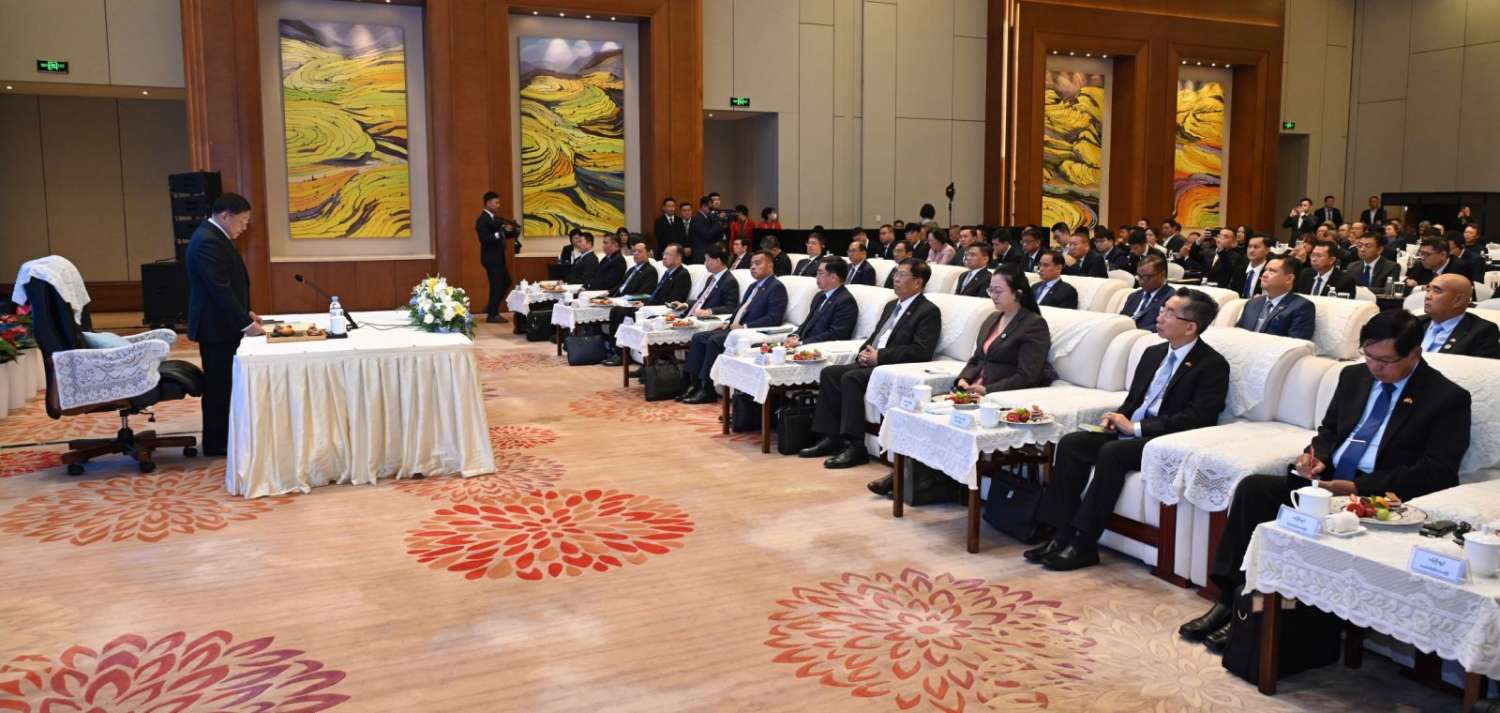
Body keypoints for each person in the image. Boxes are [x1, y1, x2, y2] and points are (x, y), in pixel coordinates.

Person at [1180, 310, 1471, 651]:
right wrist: (1315, 455)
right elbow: (1329, 430)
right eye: (1369, 355)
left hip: (1375, 494)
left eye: (1385, 361)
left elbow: (1438, 469)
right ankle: (1231, 599)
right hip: (1327, 481)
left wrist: (1358, 488)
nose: (1375, 367)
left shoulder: (1447, 398)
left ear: (1414, 354)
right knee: (1253, 490)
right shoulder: (1354, 376)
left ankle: (1251, 619)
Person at [1028, 288, 1229, 571]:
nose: (1160, 315)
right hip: (1129, 431)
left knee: (1113, 453)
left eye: (1170, 312)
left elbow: (1198, 418)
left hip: (1163, 439)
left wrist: (1136, 427)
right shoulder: (1153, 353)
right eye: (1162, 308)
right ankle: (1059, 534)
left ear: (1190, 327)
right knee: (1072, 443)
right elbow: (1135, 400)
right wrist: (1117, 417)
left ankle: (1084, 543)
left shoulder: (1212, 365)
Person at [800, 260, 942, 469]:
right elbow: (875, 336)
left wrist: (880, 356)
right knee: (830, 373)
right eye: (895, 274)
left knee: (850, 378)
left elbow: (921, 350)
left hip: (890, 366)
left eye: (902, 275)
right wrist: (863, 353)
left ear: (918, 282)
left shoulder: (928, 311)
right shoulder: (891, 305)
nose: (895, 279)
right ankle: (831, 437)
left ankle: (856, 446)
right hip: (872, 361)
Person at [185, 192, 262, 457]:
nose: (244, 227)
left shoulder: (215, 236)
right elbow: (219, 289)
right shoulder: (208, 240)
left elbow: (227, 284)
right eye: (242, 221)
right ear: (226, 216)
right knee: (219, 387)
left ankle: (225, 438)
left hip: (221, 323)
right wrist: (245, 324)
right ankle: (217, 443)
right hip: (215, 328)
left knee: (226, 384)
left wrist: (245, 312)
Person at [681, 251, 789, 404]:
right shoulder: (753, 286)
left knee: (713, 341)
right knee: (698, 337)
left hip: (747, 331)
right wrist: (727, 322)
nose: (752, 267)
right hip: (734, 327)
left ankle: (707, 389)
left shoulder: (776, 287)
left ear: (770, 266)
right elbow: (740, 309)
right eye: (751, 264)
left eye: (758, 263)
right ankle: (694, 384)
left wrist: (744, 326)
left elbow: (774, 318)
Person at [953, 265, 1054, 396]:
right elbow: (977, 358)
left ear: (1017, 293)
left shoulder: (1034, 324)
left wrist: (988, 390)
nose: (993, 296)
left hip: (1000, 393)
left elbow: (1028, 375)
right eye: (991, 290)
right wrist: (964, 379)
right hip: (973, 390)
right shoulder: (992, 318)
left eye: (998, 291)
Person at [601, 243, 693, 366]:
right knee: (616, 310)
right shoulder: (668, 273)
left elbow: (673, 300)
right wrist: (644, 303)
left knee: (620, 312)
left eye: (668, 254)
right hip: (650, 307)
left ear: (678, 257)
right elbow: (655, 294)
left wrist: (647, 306)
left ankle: (621, 355)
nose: (664, 257)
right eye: (664, 254)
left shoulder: (682, 275)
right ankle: (617, 351)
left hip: (660, 311)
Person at [783, 257, 859, 352]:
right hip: (805, 344)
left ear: (833, 277)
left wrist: (801, 343)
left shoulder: (846, 301)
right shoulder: (819, 295)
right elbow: (808, 322)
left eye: (820, 273)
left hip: (820, 349)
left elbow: (836, 334)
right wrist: (794, 336)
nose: (816, 277)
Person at [1235, 255, 1315, 339]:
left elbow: (1296, 343)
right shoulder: (1252, 303)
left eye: (1272, 271)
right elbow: (1237, 334)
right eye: (1265, 270)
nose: (1264, 275)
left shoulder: (1302, 307)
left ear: (1289, 279)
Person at [1420, 274, 1500, 358]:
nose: (1427, 296)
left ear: (1458, 300)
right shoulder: (1417, 322)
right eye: (1428, 290)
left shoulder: (1482, 331)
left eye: (1437, 291)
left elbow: (1483, 365)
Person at [475, 191, 519, 324]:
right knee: (496, 285)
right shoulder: (482, 220)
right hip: (490, 258)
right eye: (496, 203)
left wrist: (513, 231)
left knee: (506, 281)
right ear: (488, 203)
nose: (498, 205)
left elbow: (505, 234)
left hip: (498, 258)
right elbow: (484, 239)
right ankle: (492, 314)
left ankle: (491, 308)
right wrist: (499, 233)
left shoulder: (496, 219)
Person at [1119, 254, 1174, 331]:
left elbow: (1163, 326)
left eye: (1147, 277)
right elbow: (1121, 319)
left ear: (1162, 275)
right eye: (1139, 276)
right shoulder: (1133, 296)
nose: (1141, 281)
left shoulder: (1171, 298)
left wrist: (1134, 331)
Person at [1230, 234, 1271, 299]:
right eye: (1249, 246)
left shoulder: (1270, 272)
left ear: (1267, 250)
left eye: (1256, 247)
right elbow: (1232, 291)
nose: (1251, 250)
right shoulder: (1240, 268)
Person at [686, 196, 720, 263]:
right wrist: (717, 224)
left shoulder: (707, 218)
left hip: (707, 253)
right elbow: (707, 235)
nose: (711, 210)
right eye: (710, 208)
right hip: (700, 254)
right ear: (704, 206)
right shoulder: (697, 219)